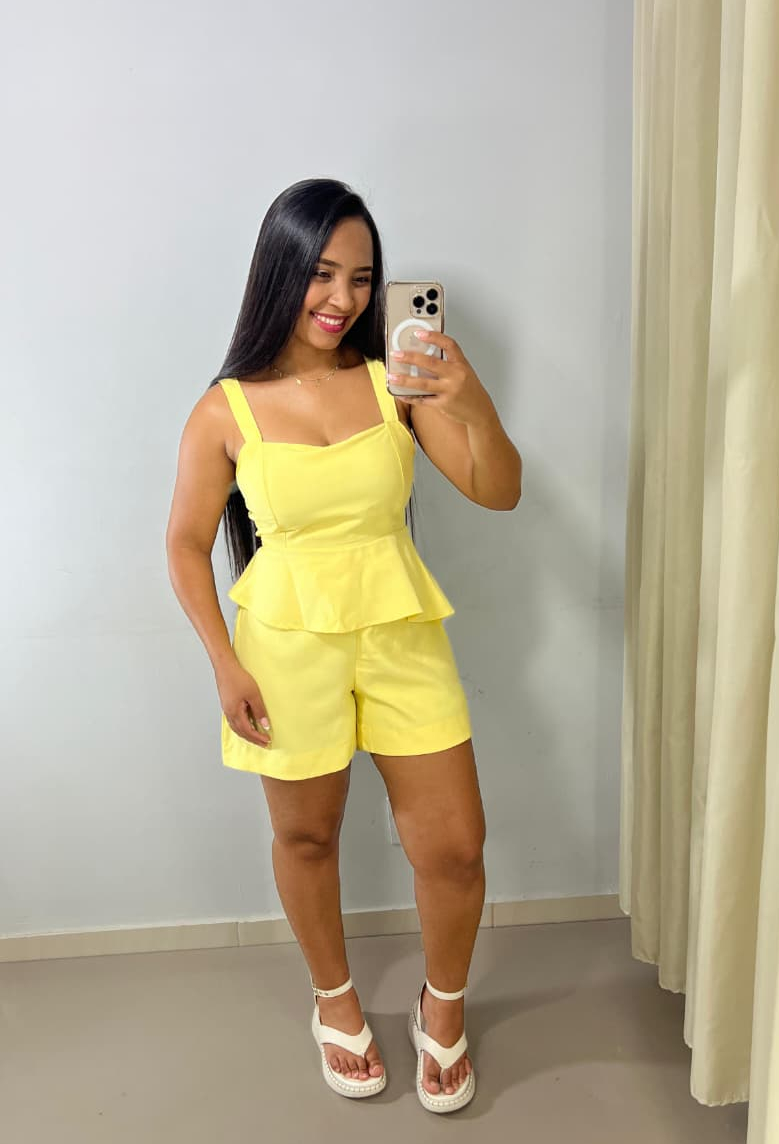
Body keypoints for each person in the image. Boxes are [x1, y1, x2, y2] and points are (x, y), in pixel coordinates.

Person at [165, 179, 521, 1114]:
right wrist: (225, 663)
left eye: (362, 279)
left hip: (401, 635)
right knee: (306, 835)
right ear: (280, 271)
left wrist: (473, 401)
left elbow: (499, 491)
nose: (342, 298)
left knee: (456, 848)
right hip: (284, 648)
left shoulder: (396, 384)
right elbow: (185, 543)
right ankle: (333, 999)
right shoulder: (225, 411)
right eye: (322, 274)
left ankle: (443, 1007)